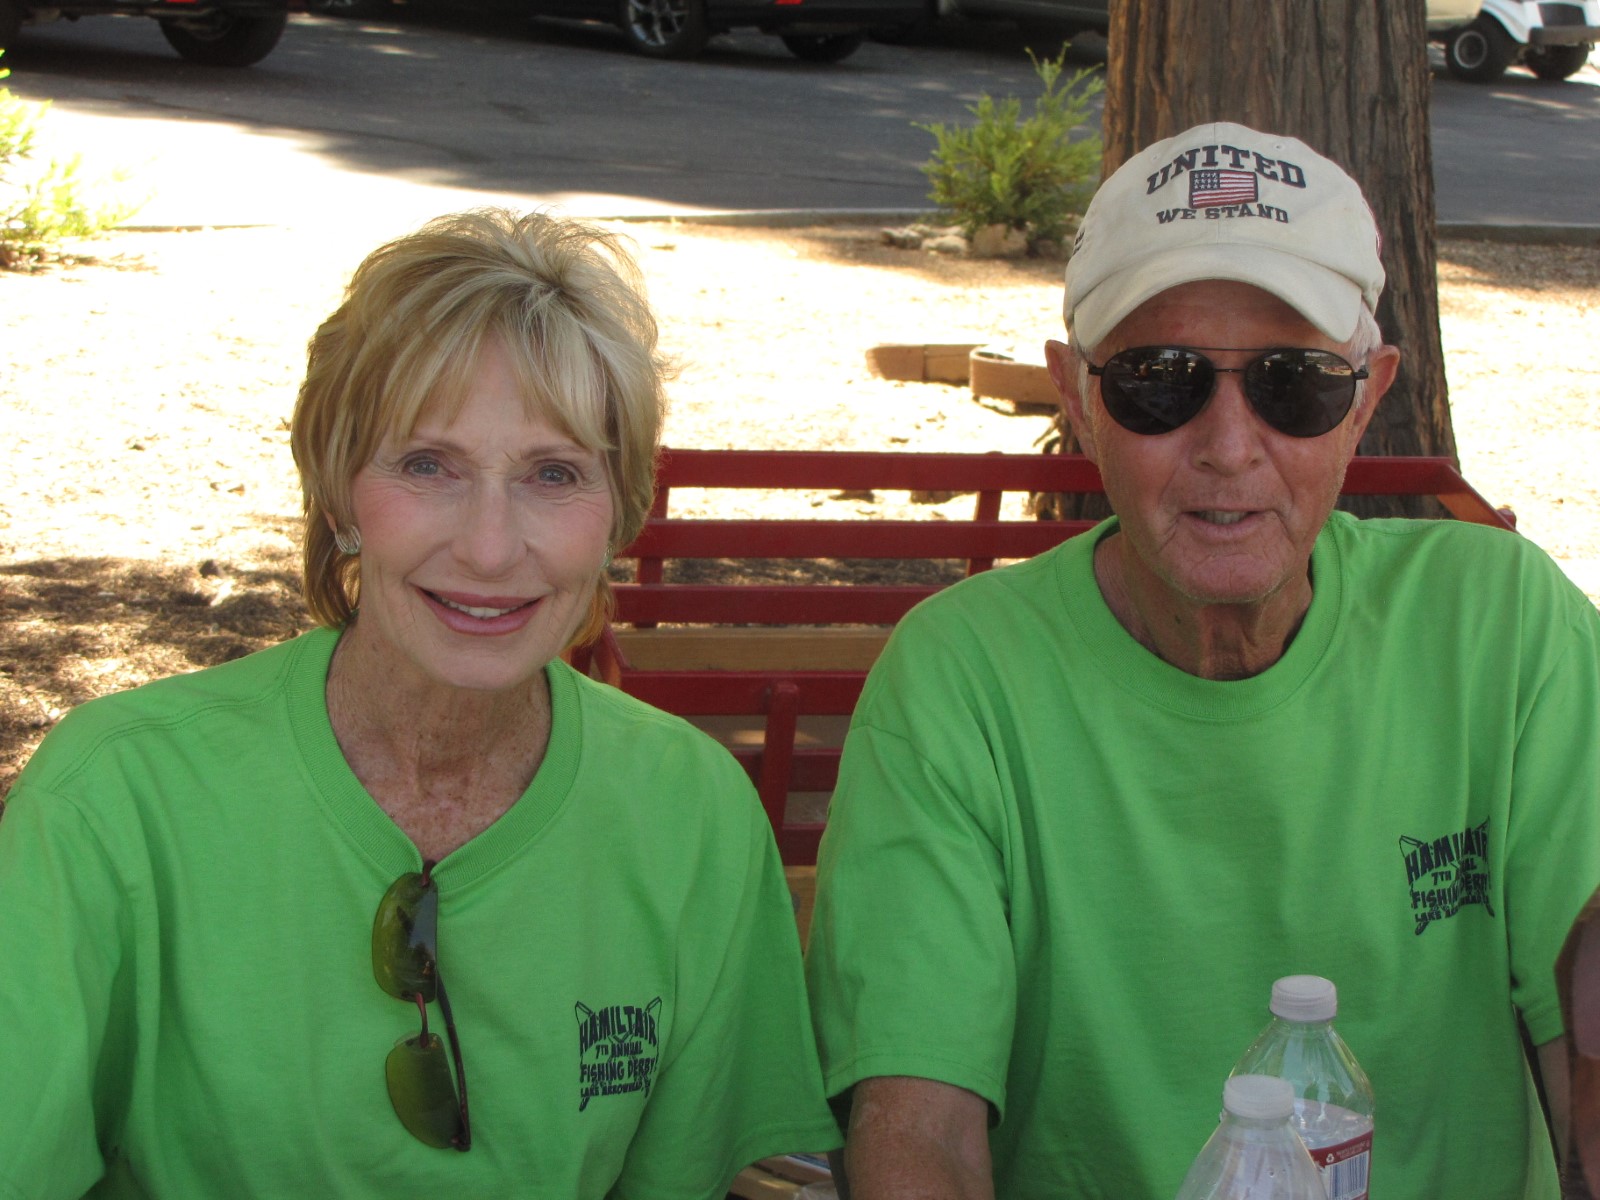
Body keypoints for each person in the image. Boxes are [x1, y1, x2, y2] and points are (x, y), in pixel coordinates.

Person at [804, 122, 1600, 1200]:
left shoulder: (1500, 626)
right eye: (1159, 382)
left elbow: (1588, 1053)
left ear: (1367, 397)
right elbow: (919, 1134)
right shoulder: (962, 678)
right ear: (1077, 397)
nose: (1228, 448)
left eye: (1295, 384)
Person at [0, 209, 840, 1197]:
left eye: (554, 473)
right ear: (338, 493)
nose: (489, 547)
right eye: (427, 465)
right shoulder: (114, 798)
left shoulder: (690, 811)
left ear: (620, 512)